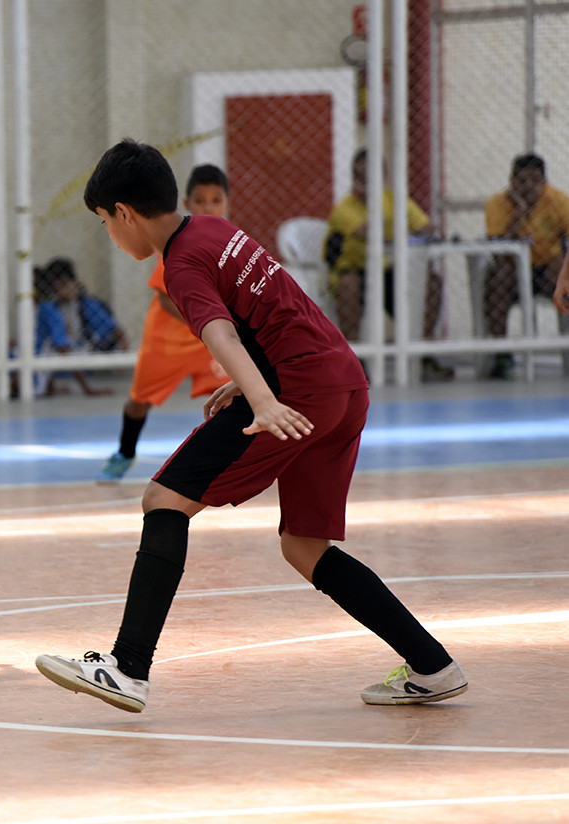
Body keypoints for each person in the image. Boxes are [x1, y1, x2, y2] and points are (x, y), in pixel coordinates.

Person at [36, 139, 467, 713]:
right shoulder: (216, 229)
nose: (110, 237)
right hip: (342, 383)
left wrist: (263, 399)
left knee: (164, 498)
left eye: (104, 224)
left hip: (296, 392)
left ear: (124, 214)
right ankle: (432, 666)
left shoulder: (180, 265)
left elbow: (222, 332)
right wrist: (252, 381)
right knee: (304, 547)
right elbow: (279, 309)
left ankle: (127, 667)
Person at [97, 164, 230, 483]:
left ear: (227, 203)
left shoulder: (226, 241)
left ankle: (227, 458)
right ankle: (125, 452)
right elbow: (166, 298)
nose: (208, 207)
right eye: (200, 200)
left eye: (215, 200)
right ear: (186, 204)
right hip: (167, 340)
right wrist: (206, 320)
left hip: (206, 340)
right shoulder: (178, 240)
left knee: (230, 394)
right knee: (139, 402)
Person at [323, 148, 451, 381]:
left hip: (385, 270)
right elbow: (369, 232)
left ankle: (422, 352)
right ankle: (354, 356)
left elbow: (426, 227)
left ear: (382, 176)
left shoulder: (395, 199)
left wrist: (414, 229)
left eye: (369, 175)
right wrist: (393, 223)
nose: (363, 181)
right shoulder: (345, 207)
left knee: (431, 281)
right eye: (358, 175)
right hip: (353, 268)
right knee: (348, 284)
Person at [483, 153, 569, 379]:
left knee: (562, 270)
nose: (527, 186)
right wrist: (519, 211)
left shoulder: (559, 201)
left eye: (534, 180)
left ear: (544, 182)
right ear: (511, 182)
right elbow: (499, 249)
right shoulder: (497, 204)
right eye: (521, 180)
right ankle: (501, 353)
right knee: (497, 275)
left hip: (547, 267)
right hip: (512, 270)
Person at [34, 256, 127, 396]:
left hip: (78, 356)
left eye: (66, 284)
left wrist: (122, 361)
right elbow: (58, 347)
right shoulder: (49, 309)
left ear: (75, 284)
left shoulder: (86, 304)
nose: (63, 290)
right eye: (58, 286)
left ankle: (47, 385)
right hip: (53, 362)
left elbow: (116, 331)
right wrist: (88, 390)